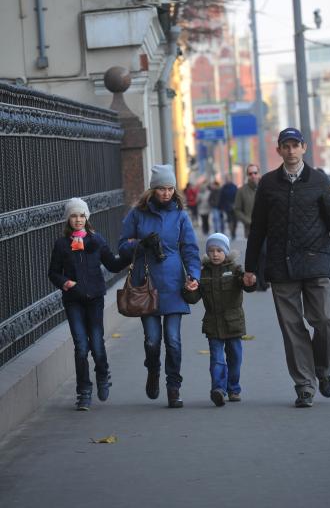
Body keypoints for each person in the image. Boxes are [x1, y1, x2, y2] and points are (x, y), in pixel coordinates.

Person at [244, 128, 330, 408]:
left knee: (325, 321)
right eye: (286, 146)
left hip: (315, 263)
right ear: (279, 150)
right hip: (281, 268)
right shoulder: (269, 184)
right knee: (292, 328)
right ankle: (305, 385)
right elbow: (257, 228)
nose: (291, 150)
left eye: (296, 145)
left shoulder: (319, 181)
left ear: (304, 148)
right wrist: (250, 268)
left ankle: (323, 370)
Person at [119, 164, 201, 408]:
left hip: (174, 282)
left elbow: (190, 249)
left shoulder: (180, 215)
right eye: (161, 188)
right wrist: (140, 245)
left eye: (170, 188)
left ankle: (174, 387)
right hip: (146, 285)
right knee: (152, 341)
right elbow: (122, 246)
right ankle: (153, 369)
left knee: (173, 340)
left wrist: (194, 275)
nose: (166, 193)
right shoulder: (137, 214)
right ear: (153, 190)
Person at [49, 198, 128, 411]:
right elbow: (53, 272)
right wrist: (65, 282)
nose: (78, 220)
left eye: (82, 215)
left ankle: (102, 374)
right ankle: (84, 391)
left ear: (87, 217)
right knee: (81, 346)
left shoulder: (96, 240)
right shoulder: (61, 244)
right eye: (74, 216)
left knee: (96, 344)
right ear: (68, 219)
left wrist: (131, 253)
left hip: (95, 299)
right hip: (73, 300)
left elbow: (112, 264)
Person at [183, 233, 255, 406]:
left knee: (235, 358)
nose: (215, 254)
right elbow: (192, 299)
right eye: (211, 251)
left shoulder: (236, 269)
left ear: (226, 251)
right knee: (216, 359)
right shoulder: (202, 273)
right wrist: (189, 288)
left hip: (233, 323)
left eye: (219, 250)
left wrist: (250, 282)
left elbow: (246, 285)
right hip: (213, 323)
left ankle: (233, 388)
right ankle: (218, 390)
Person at [234, 164, 268, 291]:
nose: (253, 175)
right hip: (252, 228)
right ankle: (259, 281)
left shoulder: (265, 188)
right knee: (258, 253)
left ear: (258, 173)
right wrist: (248, 221)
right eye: (250, 173)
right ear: (247, 175)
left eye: (255, 173)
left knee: (264, 253)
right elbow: (237, 210)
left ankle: (262, 280)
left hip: (268, 227)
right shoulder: (242, 191)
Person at [218, 175, 238, 239]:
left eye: (228, 179)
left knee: (235, 221)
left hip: (234, 206)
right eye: (226, 179)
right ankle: (232, 232)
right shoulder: (223, 188)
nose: (227, 180)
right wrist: (220, 207)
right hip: (227, 207)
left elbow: (238, 197)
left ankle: (233, 231)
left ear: (231, 179)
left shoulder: (234, 187)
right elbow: (221, 198)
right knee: (229, 220)